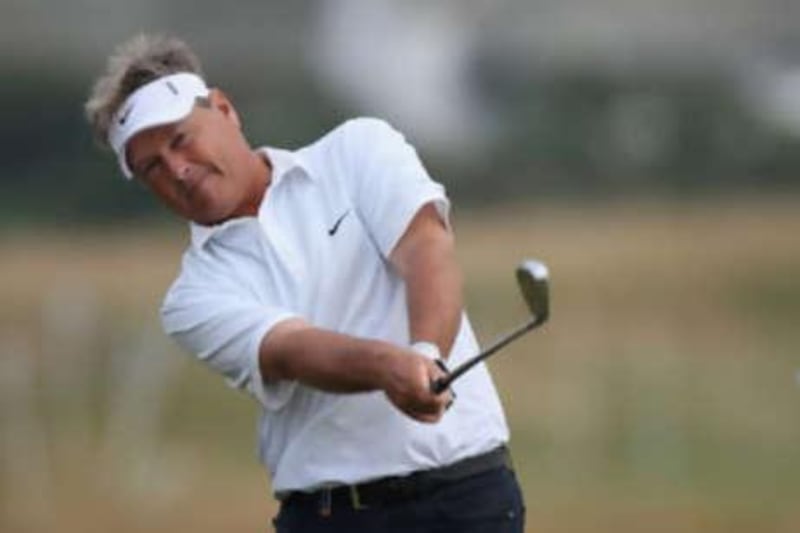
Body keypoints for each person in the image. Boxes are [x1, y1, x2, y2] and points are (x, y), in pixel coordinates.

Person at [85, 34, 525, 532]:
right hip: (332, 517)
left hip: (467, 497)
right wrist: (390, 367)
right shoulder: (192, 296)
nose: (178, 170)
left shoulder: (357, 148)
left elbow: (426, 248)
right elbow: (292, 350)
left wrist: (427, 350)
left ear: (225, 110)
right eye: (152, 168)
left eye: (181, 140)